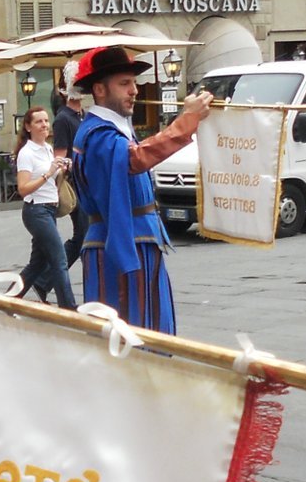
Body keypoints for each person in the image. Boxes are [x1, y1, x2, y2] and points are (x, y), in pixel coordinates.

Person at [69, 45, 213, 332]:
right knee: (130, 333)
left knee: (149, 327)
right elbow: (135, 159)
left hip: (137, 241)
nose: (134, 90)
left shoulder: (114, 126)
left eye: (133, 83)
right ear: (99, 89)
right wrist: (185, 123)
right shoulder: (98, 133)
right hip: (120, 246)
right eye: (124, 84)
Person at [15, 105, 75, 309]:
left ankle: (9, 298)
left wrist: (62, 168)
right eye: (39, 122)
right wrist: (48, 173)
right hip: (36, 210)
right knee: (59, 260)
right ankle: (69, 307)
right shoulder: (26, 153)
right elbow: (23, 189)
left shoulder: (48, 149)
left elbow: (53, 179)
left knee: (38, 264)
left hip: (50, 209)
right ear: (28, 127)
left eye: (46, 121)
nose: (44, 125)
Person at [53, 60, 90, 266]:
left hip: (89, 182)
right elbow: (59, 159)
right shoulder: (62, 119)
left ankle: (46, 279)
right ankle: (47, 277)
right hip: (75, 184)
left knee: (87, 235)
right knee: (83, 235)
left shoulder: (84, 115)